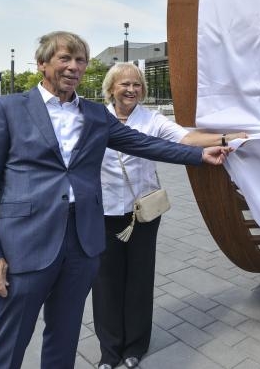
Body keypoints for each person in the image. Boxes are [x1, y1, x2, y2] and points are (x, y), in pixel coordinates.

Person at [0, 31, 230, 369]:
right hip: (25, 245)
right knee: (10, 339)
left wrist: (200, 155)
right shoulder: (6, 109)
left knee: (65, 334)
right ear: (42, 63)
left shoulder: (94, 115)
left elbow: (143, 144)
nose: (74, 67)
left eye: (80, 61)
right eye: (65, 59)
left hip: (82, 244)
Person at [92, 62, 245, 369]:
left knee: (139, 279)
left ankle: (135, 345)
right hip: (103, 211)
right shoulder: (95, 118)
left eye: (137, 84)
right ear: (111, 88)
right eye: (125, 84)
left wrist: (227, 137)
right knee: (105, 284)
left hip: (144, 213)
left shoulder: (151, 120)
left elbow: (187, 139)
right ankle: (109, 352)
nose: (131, 89)